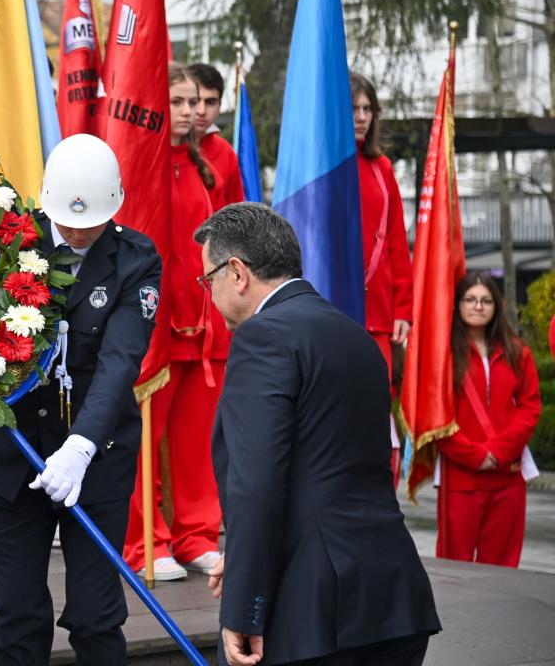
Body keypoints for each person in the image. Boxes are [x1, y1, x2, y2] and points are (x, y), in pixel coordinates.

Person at [195, 202, 440, 666]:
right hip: (394, 595)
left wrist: (243, 606)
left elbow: (257, 485)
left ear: (237, 272)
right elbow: (326, 471)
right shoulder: (358, 338)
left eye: (208, 280)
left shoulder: (262, 338)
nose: (209, 294)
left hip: (317, 612)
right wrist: (248, 560)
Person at [0, 134, 161, 665]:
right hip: (15, 453)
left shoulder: (135, 260)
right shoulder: (6, 243)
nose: (77, 232)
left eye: (91, 222)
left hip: (96, 460)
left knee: (98, 617)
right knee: (16, 613)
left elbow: (119, 363)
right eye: (67, 221)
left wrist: (80, 448)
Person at [125, 63, 226, 582]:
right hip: (154, 328)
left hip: (204, 328)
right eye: (179, 103)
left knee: (196, 444)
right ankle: (145, 542)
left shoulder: (210, 161)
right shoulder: (141, 160)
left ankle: (197, 535)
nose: (190, 112)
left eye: (195, 103)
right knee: (143, 437)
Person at [437, 271, 541, 568]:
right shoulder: (443, 356)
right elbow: (435, 416)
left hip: (507, 475)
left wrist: (499, 451)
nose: (478, 306)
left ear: (497, 305)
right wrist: (475, 454)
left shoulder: (518, 352)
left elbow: (530, 406)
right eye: (470, 299)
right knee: (453, 565)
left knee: (504, 566)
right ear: (457, 305)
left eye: (485, 300)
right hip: (460, 478)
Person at [352, 72, 414, 486]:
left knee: (376, 412)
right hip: (333, 309)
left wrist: (403, 309)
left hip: (377, 315)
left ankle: (377, 493)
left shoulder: (382, 168)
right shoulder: (324, 166)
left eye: (367, 109)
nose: (361, 117)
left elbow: (396, 243)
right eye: (353, 108)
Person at [188, 62, 244, 209]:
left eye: (210, 102)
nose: (201, 110)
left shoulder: (226, 152)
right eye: (195, 101)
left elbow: (236, 215)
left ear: (219, 107)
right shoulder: (163, 148)